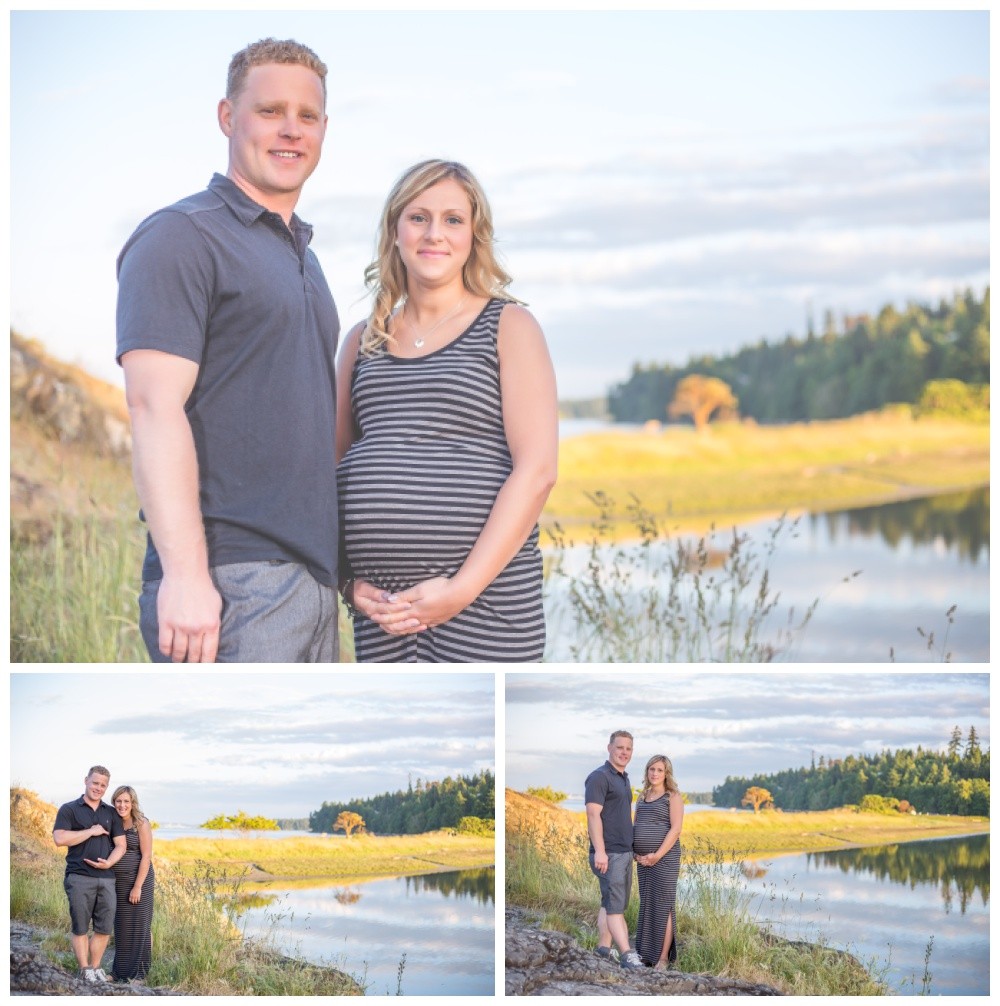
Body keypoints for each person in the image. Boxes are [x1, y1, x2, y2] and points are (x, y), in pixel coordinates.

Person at [116, 38, 340, 663]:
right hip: (232, 582)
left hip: (312, 582)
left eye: (308, 115)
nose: (291, 130)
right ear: (226, 116)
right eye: (270, 111)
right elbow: (153, 408)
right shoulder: (182, 236)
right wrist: (187, 578)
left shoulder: (305, 258)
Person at [335, 158, 558, 662]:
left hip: (485, 609)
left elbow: (538, 471)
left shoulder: (510, 326)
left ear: (474, 236)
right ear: (395, 230)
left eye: (453, 220)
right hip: (385, 620)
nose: (435, 233)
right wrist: (347, 581)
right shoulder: (361, 342)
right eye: (418, 217)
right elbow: (332, 470)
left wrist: (459, 590)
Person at [52, 766, 127, 983]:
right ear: (86, 781)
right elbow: (60, 839)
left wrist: (108, 863)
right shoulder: (69, 809)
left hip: (106, 878)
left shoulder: (111, 812)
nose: (98, 788)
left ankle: (95, 968)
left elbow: (120, 845)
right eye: (95, 783)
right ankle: (84, 969)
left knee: (104, 927)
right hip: (79, 876)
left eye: (103, 785)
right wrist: (91, 831)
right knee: (81, 925)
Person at [584, 731, 644, 970]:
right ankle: (628, 955)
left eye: (628, 749)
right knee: (616, 907)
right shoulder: (599, 777)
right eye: (619, 747)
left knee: (609, 902)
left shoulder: (624, 778)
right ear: (609, 748)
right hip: (608, 854)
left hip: (623, 852)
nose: (624, 752)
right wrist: (600, 851)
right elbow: (592, 815)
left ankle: (603, 950)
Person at [96, 787, 155, 982]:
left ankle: (140, 974)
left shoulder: (141, 823)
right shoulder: (112, 821)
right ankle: (118, 972)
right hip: (117, 882)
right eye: (118, 801)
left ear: (133, 803)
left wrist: (137, 886)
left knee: (140, 926)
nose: (122, 805)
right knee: (121, 926)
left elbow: (146, 856)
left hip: (140, 880)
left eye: (126, 801)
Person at [633, 754, 685, 969]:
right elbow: (636, 826)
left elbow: (676, 829)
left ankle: (662, 959)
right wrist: (636, 853)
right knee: (647, 905)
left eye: (659, 770)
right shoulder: (641, 796)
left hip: (665, 859)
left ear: (667, 773)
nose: (654, 773)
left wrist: (657, 855)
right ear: (647, 771)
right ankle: (646, 954)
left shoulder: (672, 796)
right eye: (651, 769)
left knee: (663, 905)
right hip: (643, 861)